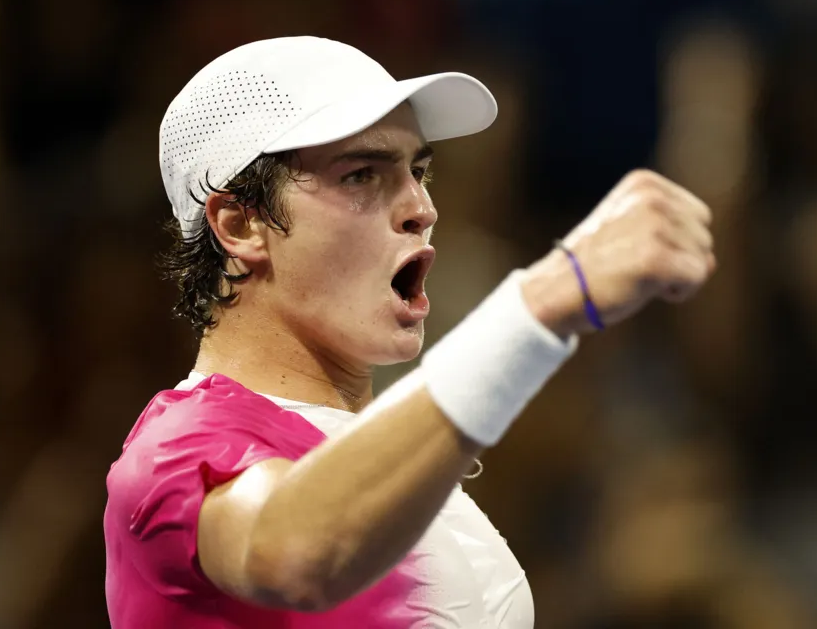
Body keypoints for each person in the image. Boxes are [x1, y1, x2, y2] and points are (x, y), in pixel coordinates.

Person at [103, 36, 716, 627]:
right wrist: (542, 302)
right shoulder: (175, 449)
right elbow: (296, 554)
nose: (422, 207)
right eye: (362, 175)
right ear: (241, 226)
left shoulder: (390, 463)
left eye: (418, 170)